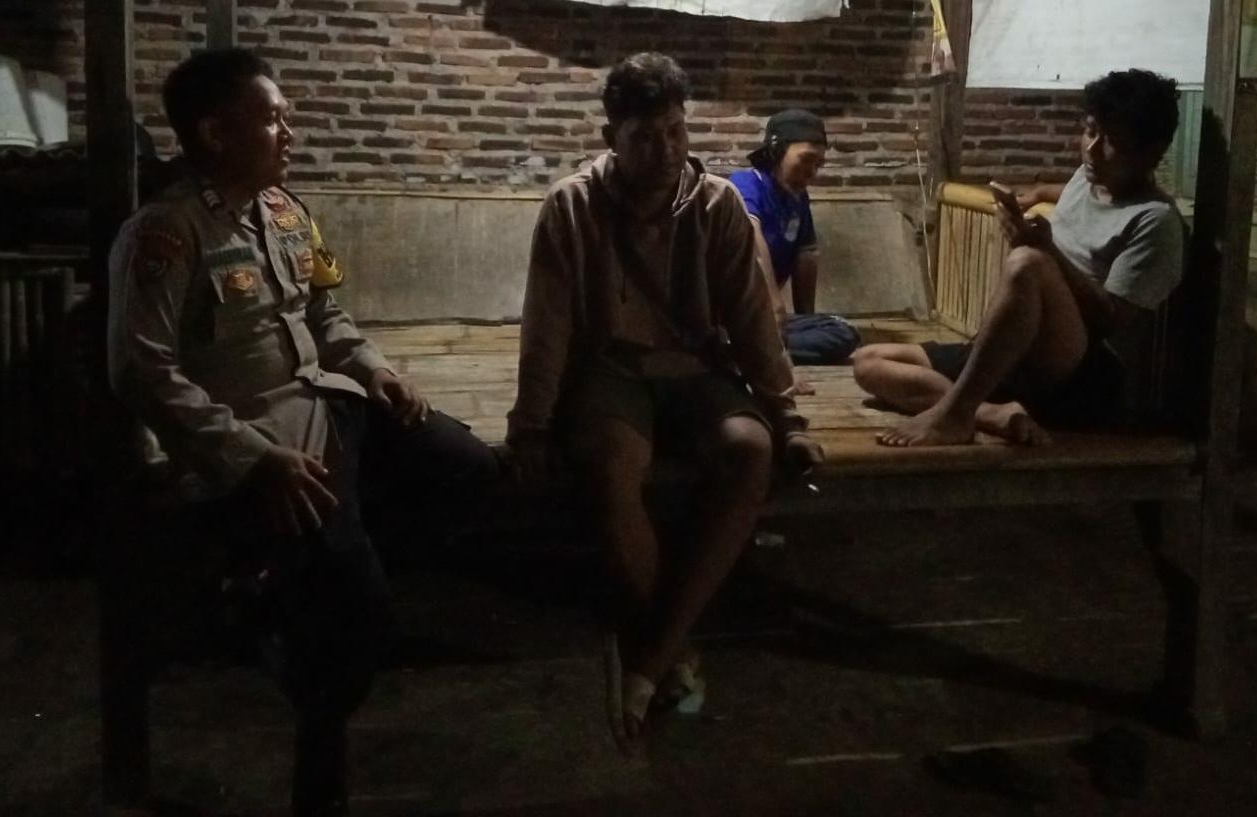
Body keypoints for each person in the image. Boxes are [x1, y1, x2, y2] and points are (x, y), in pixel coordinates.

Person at [107, 48, 498, 816]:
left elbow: (324, 311)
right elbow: (141, 371)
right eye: (272, 118)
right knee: (355, 614)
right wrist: (252, 460)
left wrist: (375, 368)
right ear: (216, 133)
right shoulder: (165, 234)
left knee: (473, 470)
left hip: (329, 406)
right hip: (265, 447)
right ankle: (319, 754)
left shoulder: (286, 211)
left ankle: (295, 582)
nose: (289, 132)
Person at [505, 53, 823, 753]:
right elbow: (546, 326)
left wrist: (788, 416)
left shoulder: (717, 206)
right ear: (611, 137)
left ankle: (649, 653)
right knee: (609, 462)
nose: (666, 150)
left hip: (695, 370)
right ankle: (672, 650)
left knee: (750, 448)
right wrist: (531, 426)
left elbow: (755, 323)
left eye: (676, 131)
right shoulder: (572, 206)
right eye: (645, 137)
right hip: (612, 369)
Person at [852, 69, 1186, 447]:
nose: (1092, 149)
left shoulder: (1155, 221)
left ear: (1151, 152)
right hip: (1021, 344)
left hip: (1081, 370)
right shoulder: (1087, 177)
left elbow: (1113, 321)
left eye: (1112, 141)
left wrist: (1047, 251)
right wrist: (1037, 194)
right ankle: (990, 413)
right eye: (1090, 131)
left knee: (1028, 263)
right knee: (869, 363)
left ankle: (956, 413)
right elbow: (1072, 194)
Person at [728, 109, 862, 380]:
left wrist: (806, 320)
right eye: (806, 159)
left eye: (819, 164)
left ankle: (746, 350)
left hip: (761, 321)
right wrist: (776, 309)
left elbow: (806, 254)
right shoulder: (745, 184)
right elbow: (751, 237)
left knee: (841, 331)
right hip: (730, 315)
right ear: (776, 151)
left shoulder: (797, 199)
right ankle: (742, 350)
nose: (812, 171)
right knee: (838, 335)